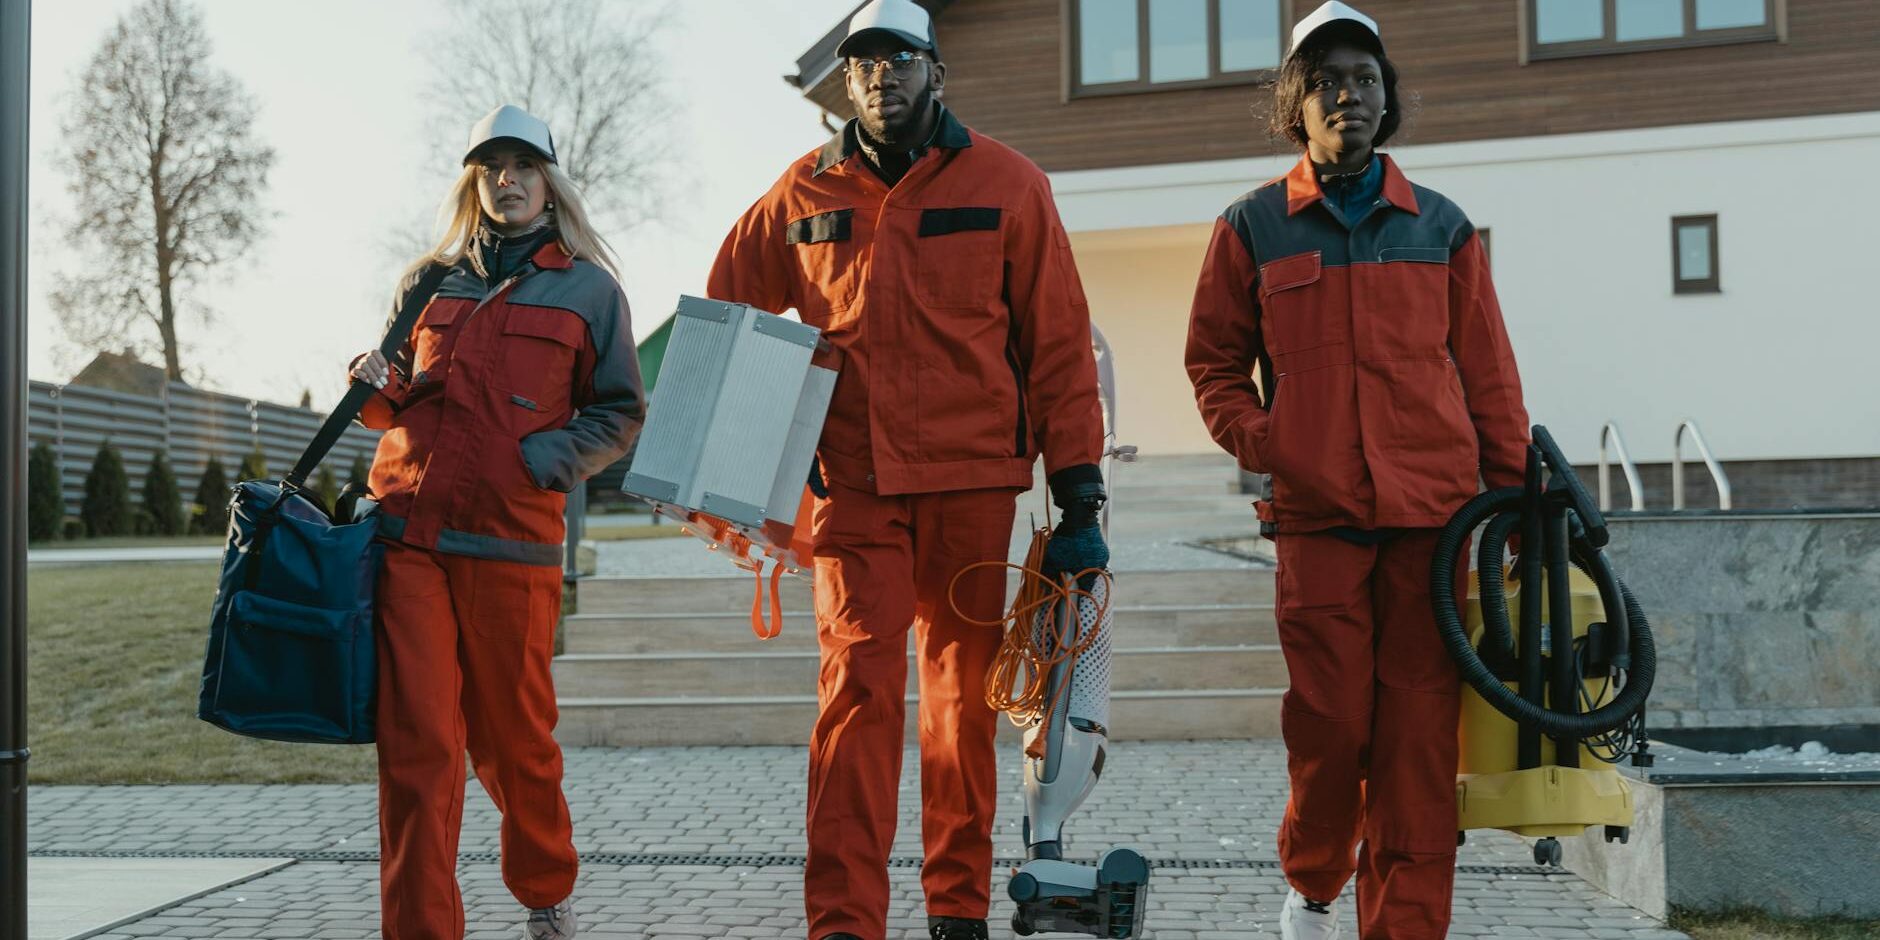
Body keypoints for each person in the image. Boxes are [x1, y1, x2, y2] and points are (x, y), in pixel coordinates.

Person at [706, 1, 1108, 937]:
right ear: (847, 81)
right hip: (852, 488)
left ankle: (956, 909)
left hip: (972, 485)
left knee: (960, 708)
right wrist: (735, 468)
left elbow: (1057, 346)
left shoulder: (1010, 183)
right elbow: (729, 317)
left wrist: (1080, 491)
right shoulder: (799, 193)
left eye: (899, 59)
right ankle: (845, 921)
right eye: (863, 64)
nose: (881, 75)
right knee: (855, 698)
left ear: (936, 70)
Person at [1184, 3, 1531, 938]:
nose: (1351, 95)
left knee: (1418, 749)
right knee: (1332, 730)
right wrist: (1271, 443)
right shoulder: (1252, 226)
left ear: (1388, 100)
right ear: (1297, 104)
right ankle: (1312, 883)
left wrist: (1510, 516)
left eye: (1368, 80)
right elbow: (1212, 366)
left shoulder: (1443, 228)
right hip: (1317, 523)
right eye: (1330, 80)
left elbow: (1492, 382)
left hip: (1433, 526)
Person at [348, 104, 645, 940]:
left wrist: (540, 462)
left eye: (521, 165)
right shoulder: (427, 282)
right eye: (490, 167)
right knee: (418, 749)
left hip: (512, 545)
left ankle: (545, 889)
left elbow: (620, 412)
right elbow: (392, 399)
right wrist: (371, 379)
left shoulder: (591, 290)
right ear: (472, 182)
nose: (505, 179)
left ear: (549, 181)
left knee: (516, 746)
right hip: (412, 539)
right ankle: (420, 926)